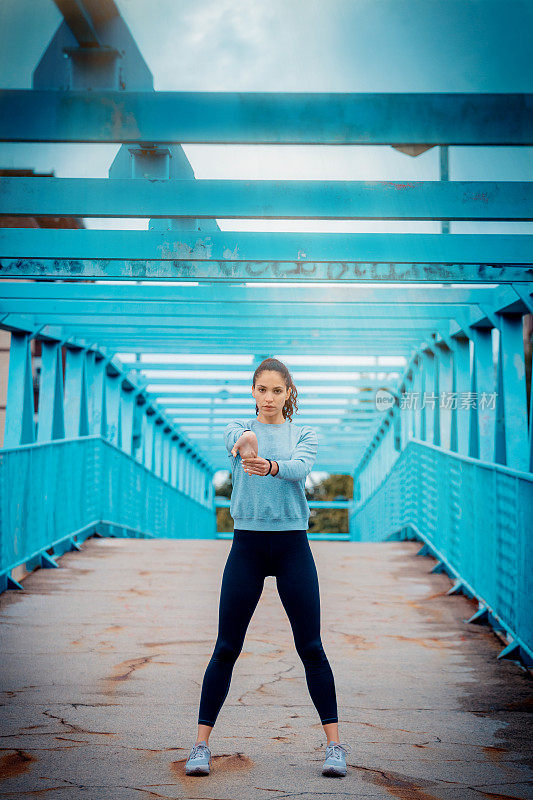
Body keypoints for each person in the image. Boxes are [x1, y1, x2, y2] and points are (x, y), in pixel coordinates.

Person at [185, 357, 351, 777]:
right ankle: (200, 746)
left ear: (289, 393)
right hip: (247, 546)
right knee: (226, 647)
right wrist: (246, 440)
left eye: (278, 390)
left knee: (311, 647)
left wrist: (270, 466)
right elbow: (235, 440)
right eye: (262, 390)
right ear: (253, 392)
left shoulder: (304, 433)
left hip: (293, 546)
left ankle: (334, 747)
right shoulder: (239, 428)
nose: (270, 398)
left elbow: (300, 469)